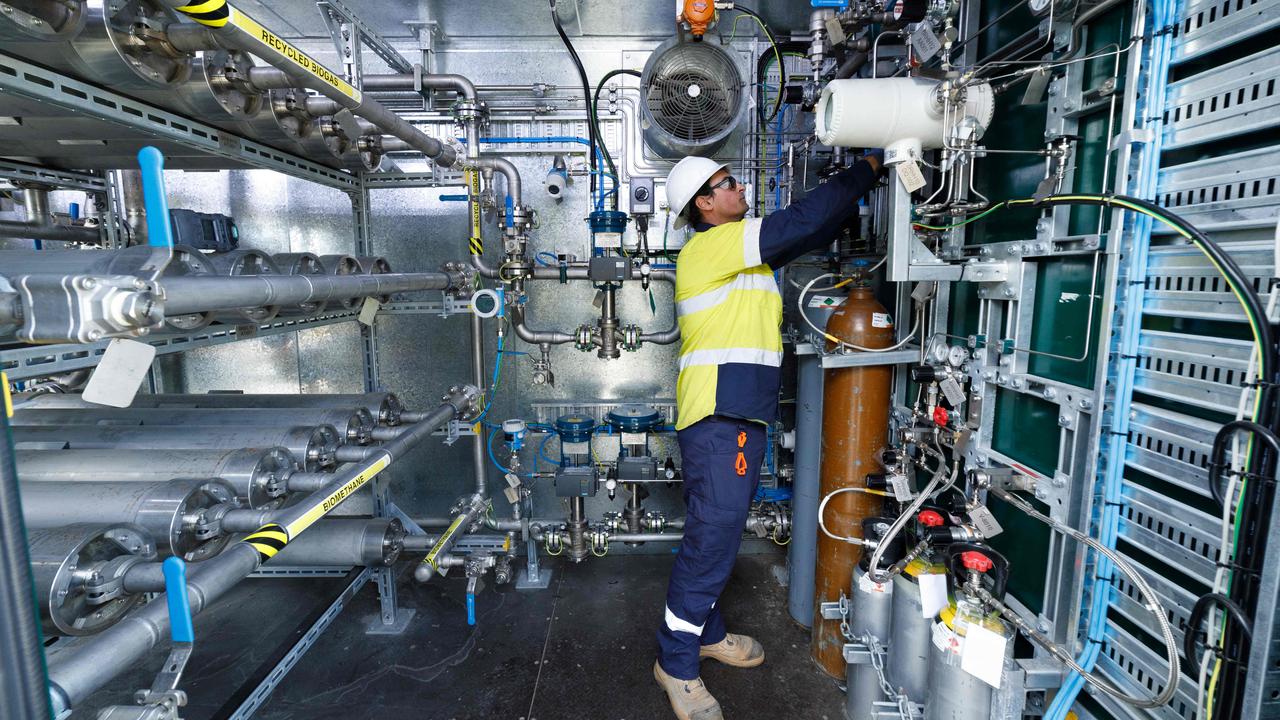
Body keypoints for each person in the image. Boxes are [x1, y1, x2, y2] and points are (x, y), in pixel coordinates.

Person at [654, 151, 883, 720]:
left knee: (718, 536)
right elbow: (801, 222)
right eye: (726, 184)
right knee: (712, 542)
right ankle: (676, 663)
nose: (738, 188)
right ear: (704, 205)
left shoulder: (741, 255)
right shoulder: (714, 246)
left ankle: (707, 633)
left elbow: (812, 227)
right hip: (718, 417)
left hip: (735, 415)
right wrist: (867, 169)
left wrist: (851, 200)